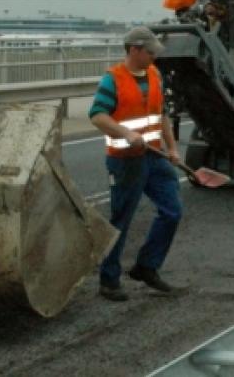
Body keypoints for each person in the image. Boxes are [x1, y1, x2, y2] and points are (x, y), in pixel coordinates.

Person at [90, 26, 183, 301]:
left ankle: (146, 266)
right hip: (125, 162)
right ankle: (108, 281)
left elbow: (162, 114)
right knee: (121, 220)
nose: (154, 56)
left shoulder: (154, 75)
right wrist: (127, 134)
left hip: (155, 158)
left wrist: (173, 147)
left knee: (172, 211)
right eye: (150, 51)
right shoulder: (113, 80)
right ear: (134, 50)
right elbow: (97, 115)